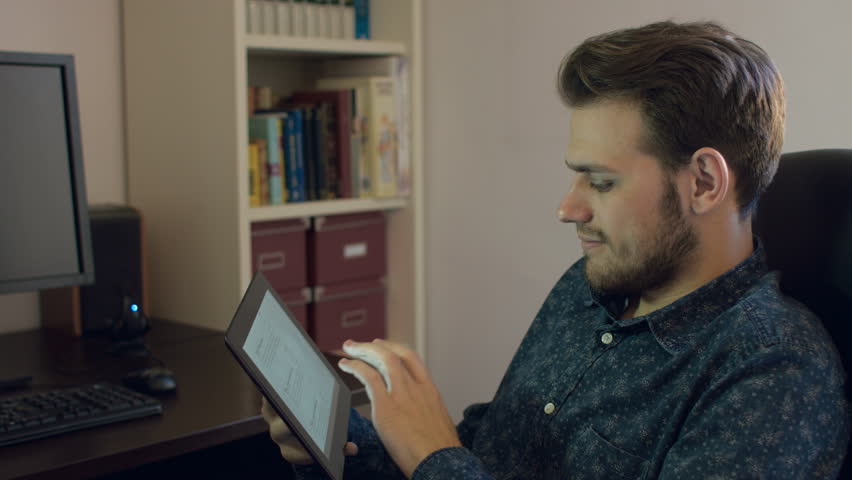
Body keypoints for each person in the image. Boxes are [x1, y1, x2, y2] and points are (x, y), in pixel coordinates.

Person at [261, 21, 850, 478]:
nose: (568, 208)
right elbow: (488, 452)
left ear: (703, 183)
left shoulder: (773, 374)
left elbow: (445, 463)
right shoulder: (589, 285)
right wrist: (351, 445)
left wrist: (433, 456)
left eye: (601, 181)